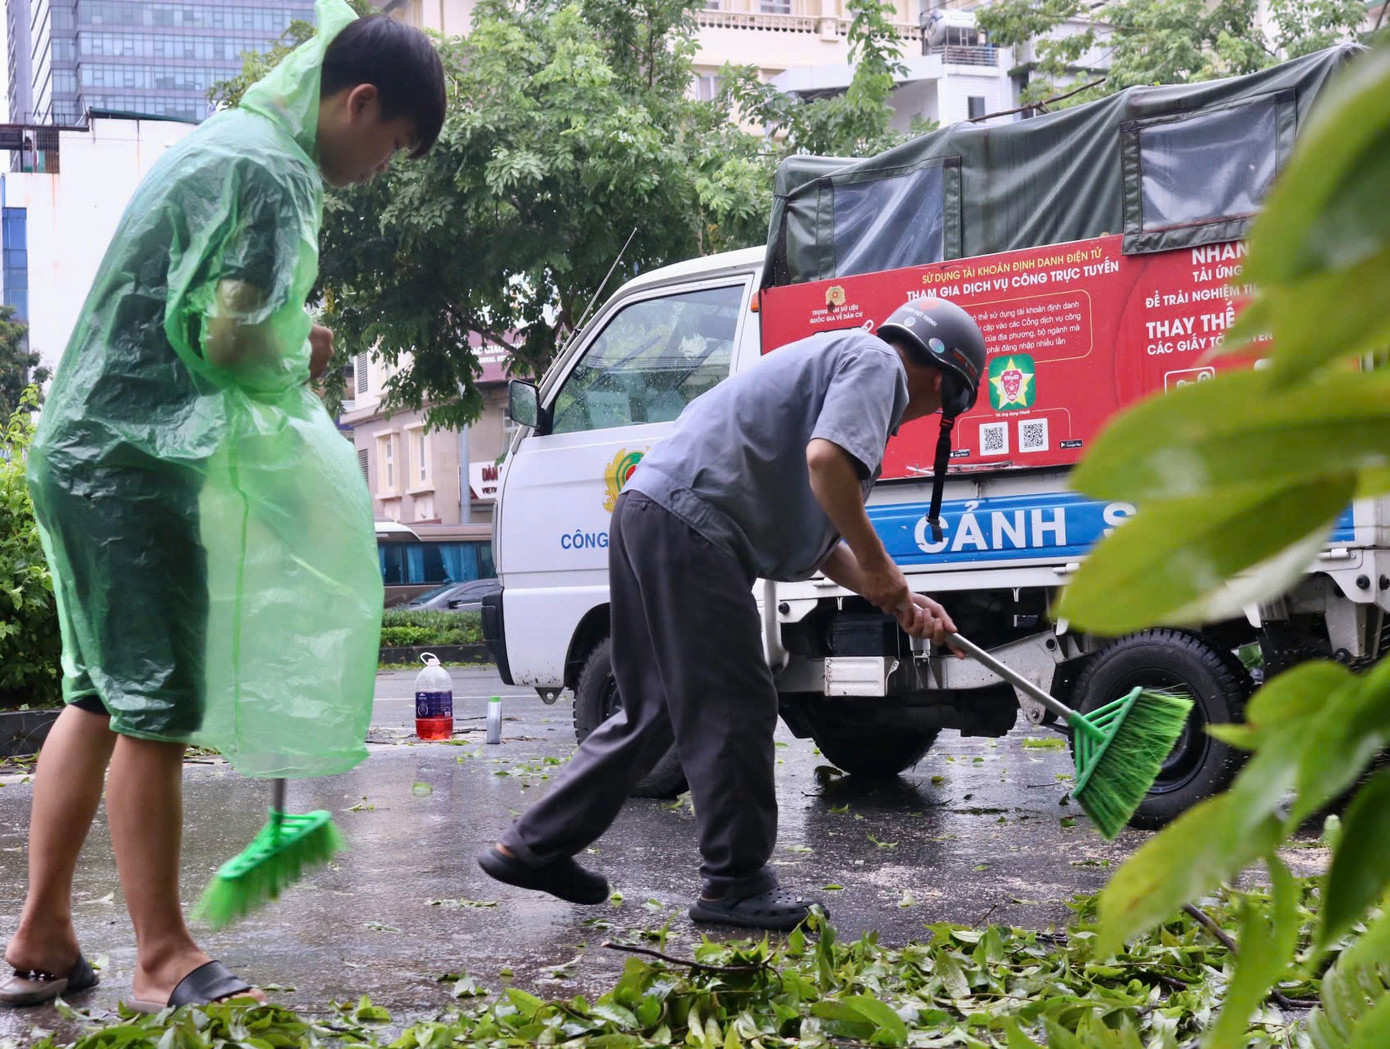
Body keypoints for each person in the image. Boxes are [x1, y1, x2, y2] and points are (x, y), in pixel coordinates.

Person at [0, 3, 445, 1011]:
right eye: (390, 145)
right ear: (360, 101)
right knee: (152, 699)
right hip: (132, 459)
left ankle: (39, 937)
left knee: (99, 694)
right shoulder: (275, 171)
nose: (380, 168)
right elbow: (238, 339)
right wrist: (306, 349)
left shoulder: (228, 142)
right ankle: (162, 954)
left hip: (82, 448)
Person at [479, 296, 988, 930]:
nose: (919, 419)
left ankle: (531, 847)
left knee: (655, 709)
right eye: (940, 407)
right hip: (693, 527)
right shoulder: (877, 364)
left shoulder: (837, 365)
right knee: (738, 703)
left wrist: (900, 598)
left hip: (650, 511)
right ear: (942, 378)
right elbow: (827, 464)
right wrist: (883, 569)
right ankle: (735, 885)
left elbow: (824, 544)